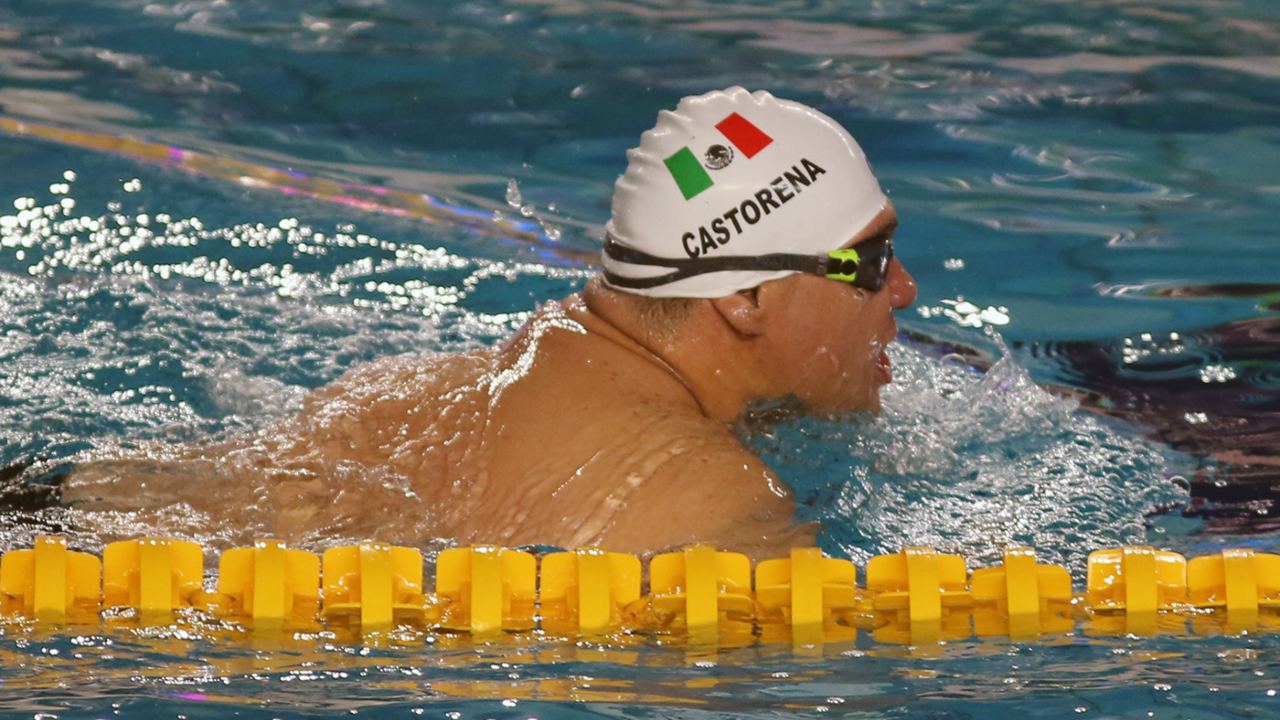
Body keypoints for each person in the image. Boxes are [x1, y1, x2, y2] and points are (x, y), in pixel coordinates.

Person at [55, 87, 917, 557]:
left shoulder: (404, 392)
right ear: (745, 297)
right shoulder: (718, 502)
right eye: (872, 262)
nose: (905, 292)